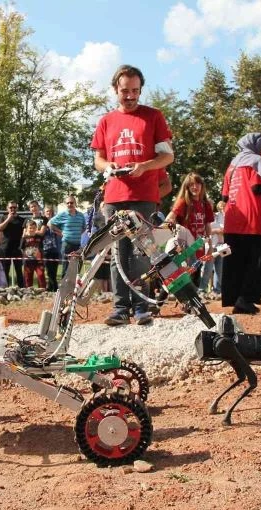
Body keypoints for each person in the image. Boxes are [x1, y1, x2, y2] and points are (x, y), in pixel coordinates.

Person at [91, 64, 174, 326]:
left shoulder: (154, 116)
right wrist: (109, 167)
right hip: (114, 195)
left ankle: (141, 307)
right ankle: (119, 307)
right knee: (118, 251)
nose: (130, 96)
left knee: (142, 251)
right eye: (125, 91)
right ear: (116, 89)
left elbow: (167, 155)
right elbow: (98, 159)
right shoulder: (105, 121)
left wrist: (145, 167)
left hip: (144, 194)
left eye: (135, 91)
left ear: (140, 90)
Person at [220, 133, 261, 314]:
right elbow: (260, 189)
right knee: (255, 260)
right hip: (252, 220)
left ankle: (235, 298)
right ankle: (247, 298)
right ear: (257, 147)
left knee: (234, 261)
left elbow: (225, 196)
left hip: (232, 219)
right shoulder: (257, 161)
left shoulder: (232, 165)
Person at [166, 172, 215, 289]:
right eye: (191, 184)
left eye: (198, 183)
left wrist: (210, 245)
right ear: (187, 187)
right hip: (184, 248)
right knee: (183, 277)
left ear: (202, 186)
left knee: (195, 276)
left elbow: (207, 225)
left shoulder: (205, 204)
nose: (195, 187)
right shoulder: (183, 202)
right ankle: (160, 301)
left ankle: (191, 304)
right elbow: (169, 218)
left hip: (198, 246)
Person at [48, 195, 87, 281]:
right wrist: (60, 232)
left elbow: (84, 227)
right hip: (67, 245)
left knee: (76, 269)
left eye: (71, 202)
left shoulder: (81, 215)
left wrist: (76, 233)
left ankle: (74, 290)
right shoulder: (62, 214)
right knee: (66, 269)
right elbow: (50, 223)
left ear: (75, 203)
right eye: (68, 203)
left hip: (77, 245)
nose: (70, 204)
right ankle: (63, 290)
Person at [0, 201, 25, 287]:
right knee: (5, 270)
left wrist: (22, 247)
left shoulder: (22, 220)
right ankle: (5, 289)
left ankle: (21, 289)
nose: (13, 209)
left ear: (17, 208)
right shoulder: (3, 218)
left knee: (19, 271)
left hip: (17, 248)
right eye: (11, 208)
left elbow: (24, 235)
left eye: (14, 207)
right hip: (5, 248)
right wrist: (8, 219)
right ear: (7, 208)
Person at [21, 219, 45, 288]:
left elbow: (41, 248)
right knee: (28, 277)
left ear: (36, 228)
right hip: (28, 261)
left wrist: (41, 257)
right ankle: (28, 292)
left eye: (34, 228)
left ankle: (42, 291)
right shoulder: (24, 238)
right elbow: (21, 247)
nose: (32, 229)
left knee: (41, 275)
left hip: (38, 261)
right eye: (30, 228)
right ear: (27, 229)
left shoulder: (40, 237)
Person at [42, 205, 60, 291]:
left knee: (54, 270)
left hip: (55, 249)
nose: (49, 213)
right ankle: (52, 287)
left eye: (50, 211)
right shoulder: (42, 223)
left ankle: (53, 287)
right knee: (48, 271)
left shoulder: (56, 222)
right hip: (45, 249)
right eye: (47, 211)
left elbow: (60, 233)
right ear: (44, 213)